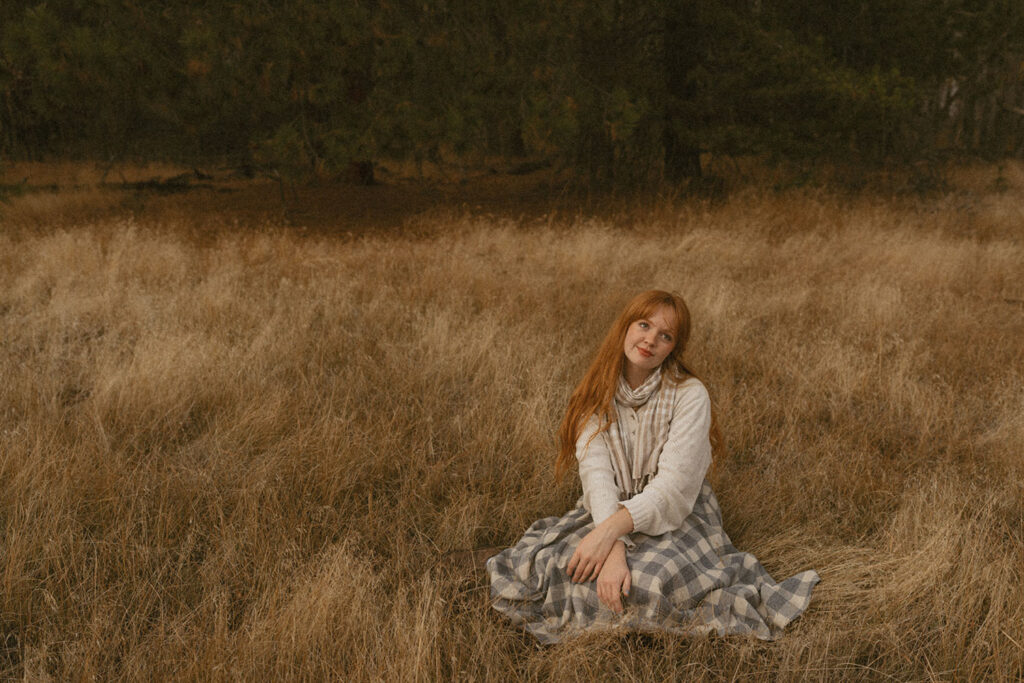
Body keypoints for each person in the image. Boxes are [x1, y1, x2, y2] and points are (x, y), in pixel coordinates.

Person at [485, 290, 819, 644]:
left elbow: (673, 490)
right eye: (644, 325)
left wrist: (609, 533)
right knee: (568, 569)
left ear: (674, 347)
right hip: (608, 509)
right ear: (625, 327)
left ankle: (639, 634)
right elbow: (597, 478)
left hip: (676, 516)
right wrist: (611, 546)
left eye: (666, 335)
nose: (650, 340)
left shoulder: (690, 395)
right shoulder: (595, 394)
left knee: (646, 582)